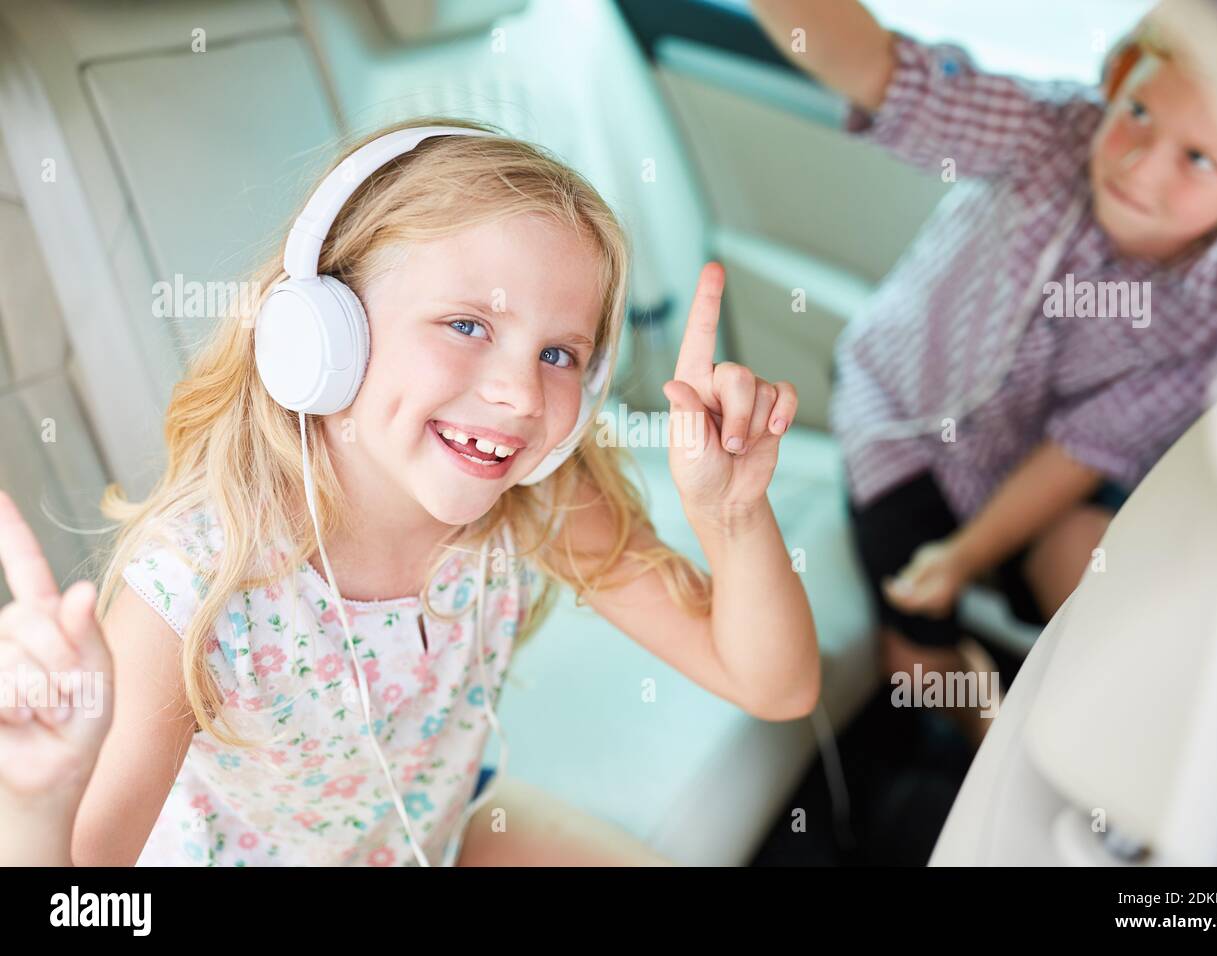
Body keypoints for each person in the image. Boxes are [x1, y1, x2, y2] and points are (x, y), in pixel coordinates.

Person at [0, 118, 818, 866]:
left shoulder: (530, 497)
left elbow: (773, 684)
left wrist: (732, 513)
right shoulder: (196, 588)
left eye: (560, 354)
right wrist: (35, 805)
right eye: (468, 326)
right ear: (325, 334)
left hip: (436, 833)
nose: (523, 396)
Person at [750, 0, 1217, 745]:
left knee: (1095, 558)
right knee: (918, 650)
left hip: (1041, 461)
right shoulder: (1051, 133)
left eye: (1199, 160)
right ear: (1120, 78)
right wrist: (942, 569)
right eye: (1137, 112)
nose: (1137, 163)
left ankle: (1105, 750)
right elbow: (884, 72)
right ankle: (984, 740)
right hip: (903, 418)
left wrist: (968, 554)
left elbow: (1088, 447)